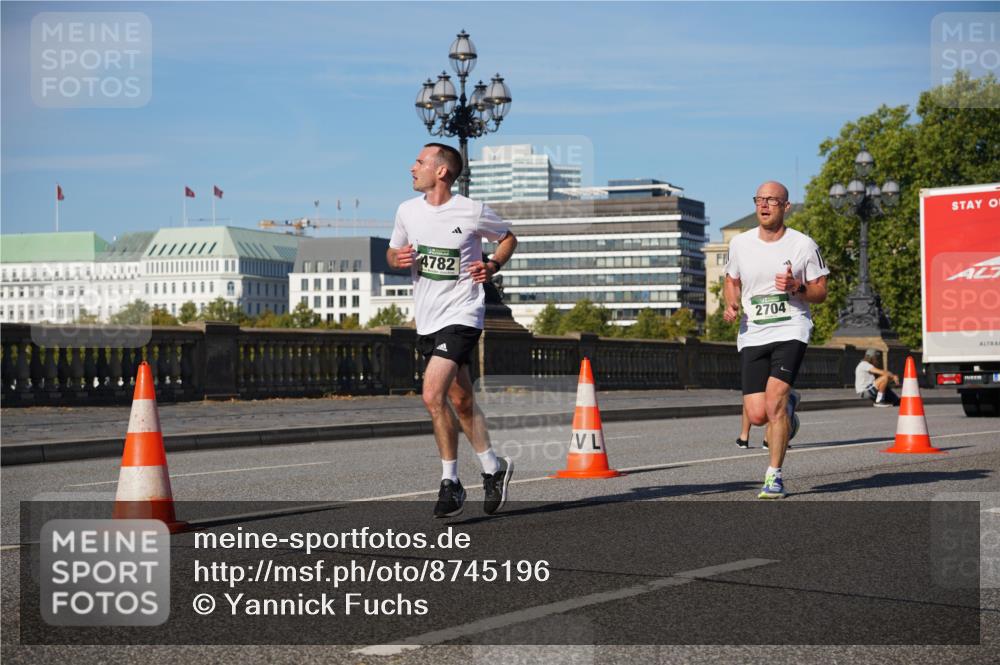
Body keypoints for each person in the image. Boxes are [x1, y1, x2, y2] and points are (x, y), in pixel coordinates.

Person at [387, 143, 518, 518]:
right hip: (427, 319)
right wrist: (398, 258)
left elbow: (508, 237)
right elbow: (392, 253)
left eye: (419, 162)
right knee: (461, 401)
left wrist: (492, 265)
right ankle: (493, 467)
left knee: (432, 394)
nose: (412, 168)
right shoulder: (407, 211)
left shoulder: (472, 210)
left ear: (441, 171)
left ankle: (451, 482)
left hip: (462, 315)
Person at [723, 181, 829, 499]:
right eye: (760, 199)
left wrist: (797, 287)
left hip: (790, 329)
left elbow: (821, 292)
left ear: (786, 206)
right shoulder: (740, 244)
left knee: (774, 405)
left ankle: (774, 476)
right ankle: (791, 404)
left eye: (772, 200)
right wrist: (731, 303)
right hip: (753, 331)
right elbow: (731, 279)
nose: (764, 205)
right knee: (757, 415)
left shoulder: (803, 245)